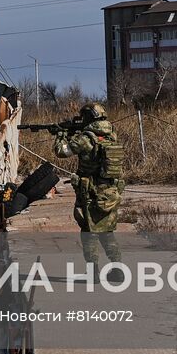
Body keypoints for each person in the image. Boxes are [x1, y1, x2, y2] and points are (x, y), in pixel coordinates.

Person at [53, 102, 126, 265]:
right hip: (110, 190)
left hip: (90, 191)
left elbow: (62, 151)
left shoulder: (86, 138)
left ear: (88, 117)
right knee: (107, 231)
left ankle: (93, 271)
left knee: (89, 232)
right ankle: (117, 267)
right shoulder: (111, 134)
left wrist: (61, 135)